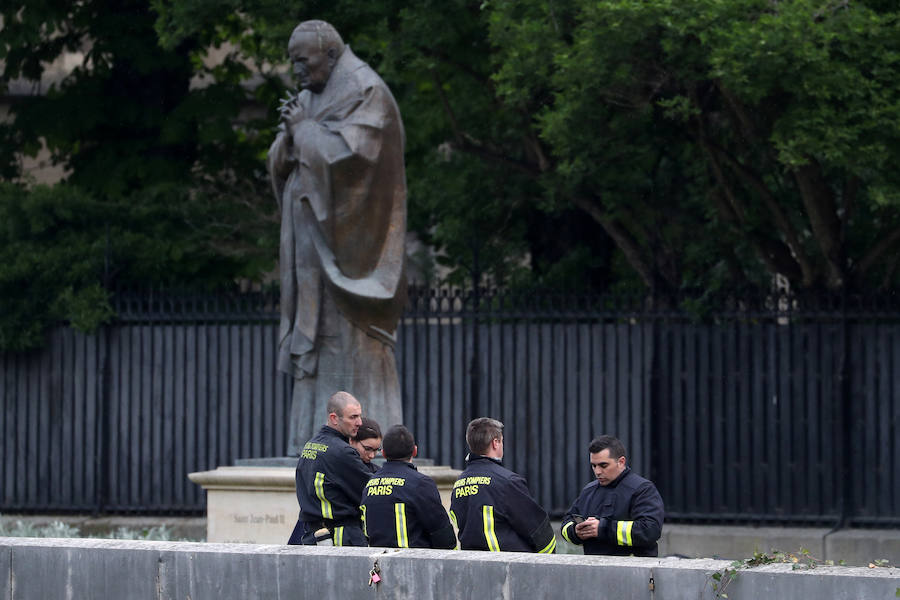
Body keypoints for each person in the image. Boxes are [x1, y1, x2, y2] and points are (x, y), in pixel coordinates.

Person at [267, 20, 407, 456]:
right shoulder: (311, 95)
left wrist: (305, 132)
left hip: (348, 255)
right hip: (309, 247)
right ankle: (308, 440)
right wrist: (292, 139)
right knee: (317, 337)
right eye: (292, 62)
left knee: (347, 345)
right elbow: (282, 154)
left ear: (329, 55)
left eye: (302, 60)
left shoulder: (366, 90)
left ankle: (362, 443)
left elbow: (358, 159)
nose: (297, 71)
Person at [449, 418, 556, 553]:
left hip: (471, 567)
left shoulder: (459, 484)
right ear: (495, 443)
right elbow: (538, 529)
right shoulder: (508, 482)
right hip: (507, 569)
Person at [287, 391, 373, 546]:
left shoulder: (310, 445)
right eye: (353, 417)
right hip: (341, 538)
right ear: (334, 418)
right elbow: (370, 492)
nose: (360, 422)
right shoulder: (342, 451)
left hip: (312, 536)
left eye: (359, 416)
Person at [560, 435, 664, 556]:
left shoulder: (642, 489)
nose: (597, 471)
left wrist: (602, 528)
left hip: (633, 571)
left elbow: (650, 531)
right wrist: (576, 532)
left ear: (621, 462)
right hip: (595, 570)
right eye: (594, 465)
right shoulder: (589, 491)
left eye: (603, 465)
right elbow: (566, 523)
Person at [360, 424, 456, 549]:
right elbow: (441, 532)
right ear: (415, 451)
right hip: (412, 564)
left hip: (378, 563)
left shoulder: (370, 483)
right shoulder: (420, 483)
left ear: (383, 453)